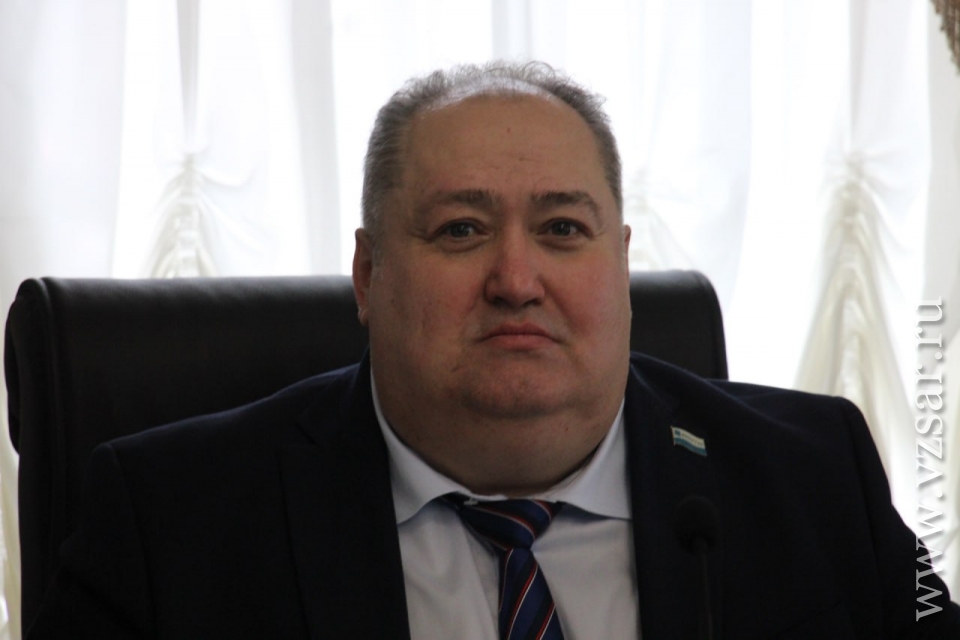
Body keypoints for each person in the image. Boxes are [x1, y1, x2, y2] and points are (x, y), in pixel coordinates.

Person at [28, 61, 959, 639]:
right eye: (462, 230)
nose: (517, 279)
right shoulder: (167, 525)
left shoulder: (814, 474)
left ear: (620, 264)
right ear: (368, 274)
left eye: (562, 229)